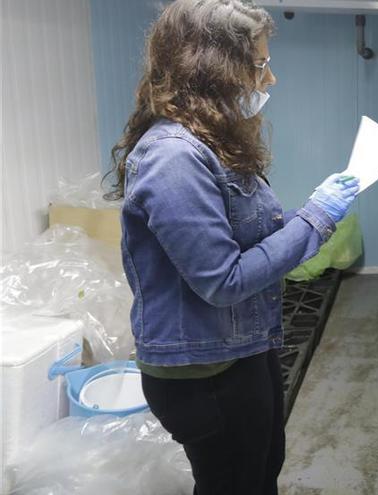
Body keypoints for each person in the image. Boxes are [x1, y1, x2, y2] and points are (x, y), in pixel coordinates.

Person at [106, 1, 359, 493]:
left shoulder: (211, 142)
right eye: (260, 65)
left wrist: (308, 217)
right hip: (202, 368)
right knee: (235, 481)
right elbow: (222, 281)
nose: (270, 80)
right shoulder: (173, 158)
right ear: (213, 69)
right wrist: (317, 218)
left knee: (263, 468)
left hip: (244, 343)